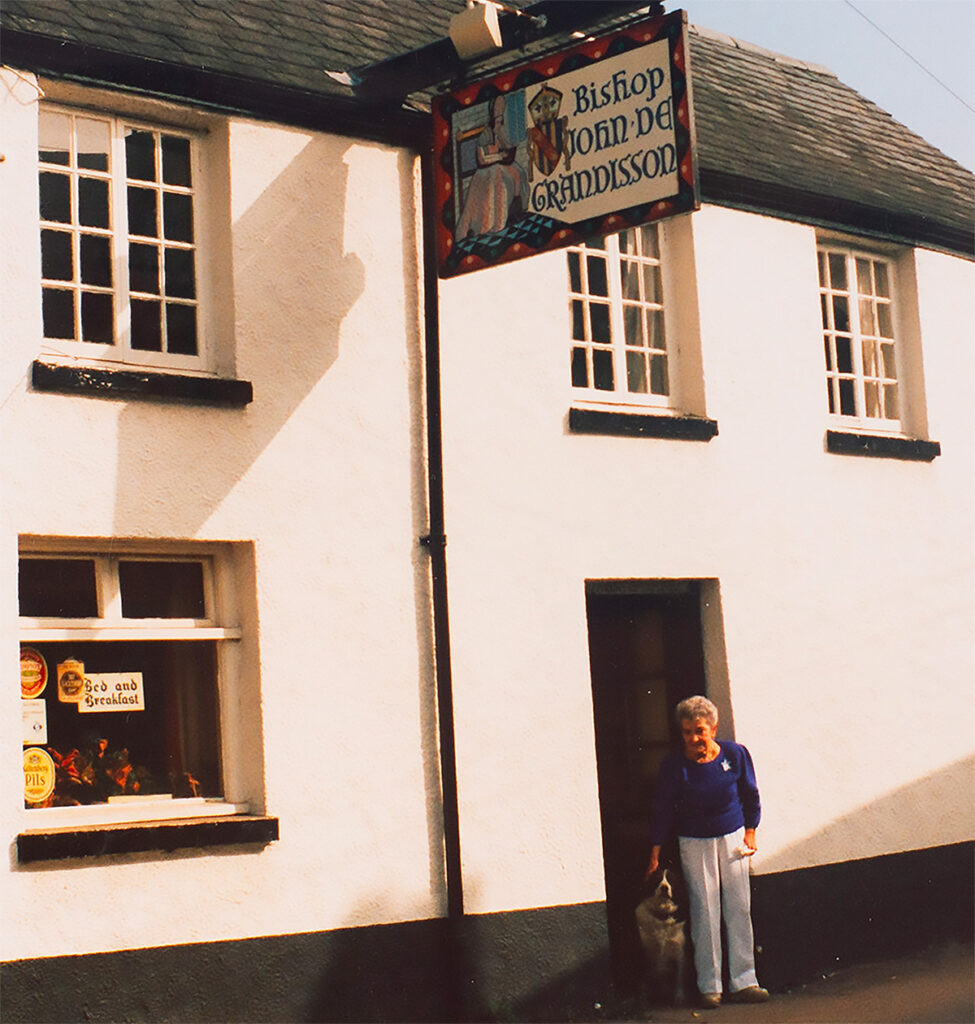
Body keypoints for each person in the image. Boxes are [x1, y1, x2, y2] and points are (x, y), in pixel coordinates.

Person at [647, 696, 769, 1007]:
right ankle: (709, 986)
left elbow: (750, 794)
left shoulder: (735, 754)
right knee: (705, 911)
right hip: (694, 842)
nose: (693, 738)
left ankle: (744, 981)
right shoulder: (675, 766)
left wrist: (751, 832)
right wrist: (655, 850)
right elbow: (662, 809)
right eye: (687, 731)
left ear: (713, 728)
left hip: (733, 837)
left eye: (699, 730)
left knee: (739, 907)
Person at [455, 94, 528, 240]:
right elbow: (481, 159)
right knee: (497, 176)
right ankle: (493, 223)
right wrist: (498, 157)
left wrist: (500, 133)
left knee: (518, 172)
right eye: (497, 110)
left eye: (501, 110)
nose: (499, 114)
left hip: (501, 166)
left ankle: (517, 209)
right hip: (486, 170)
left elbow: (509, 150)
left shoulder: (501, 131)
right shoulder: (485, 134)